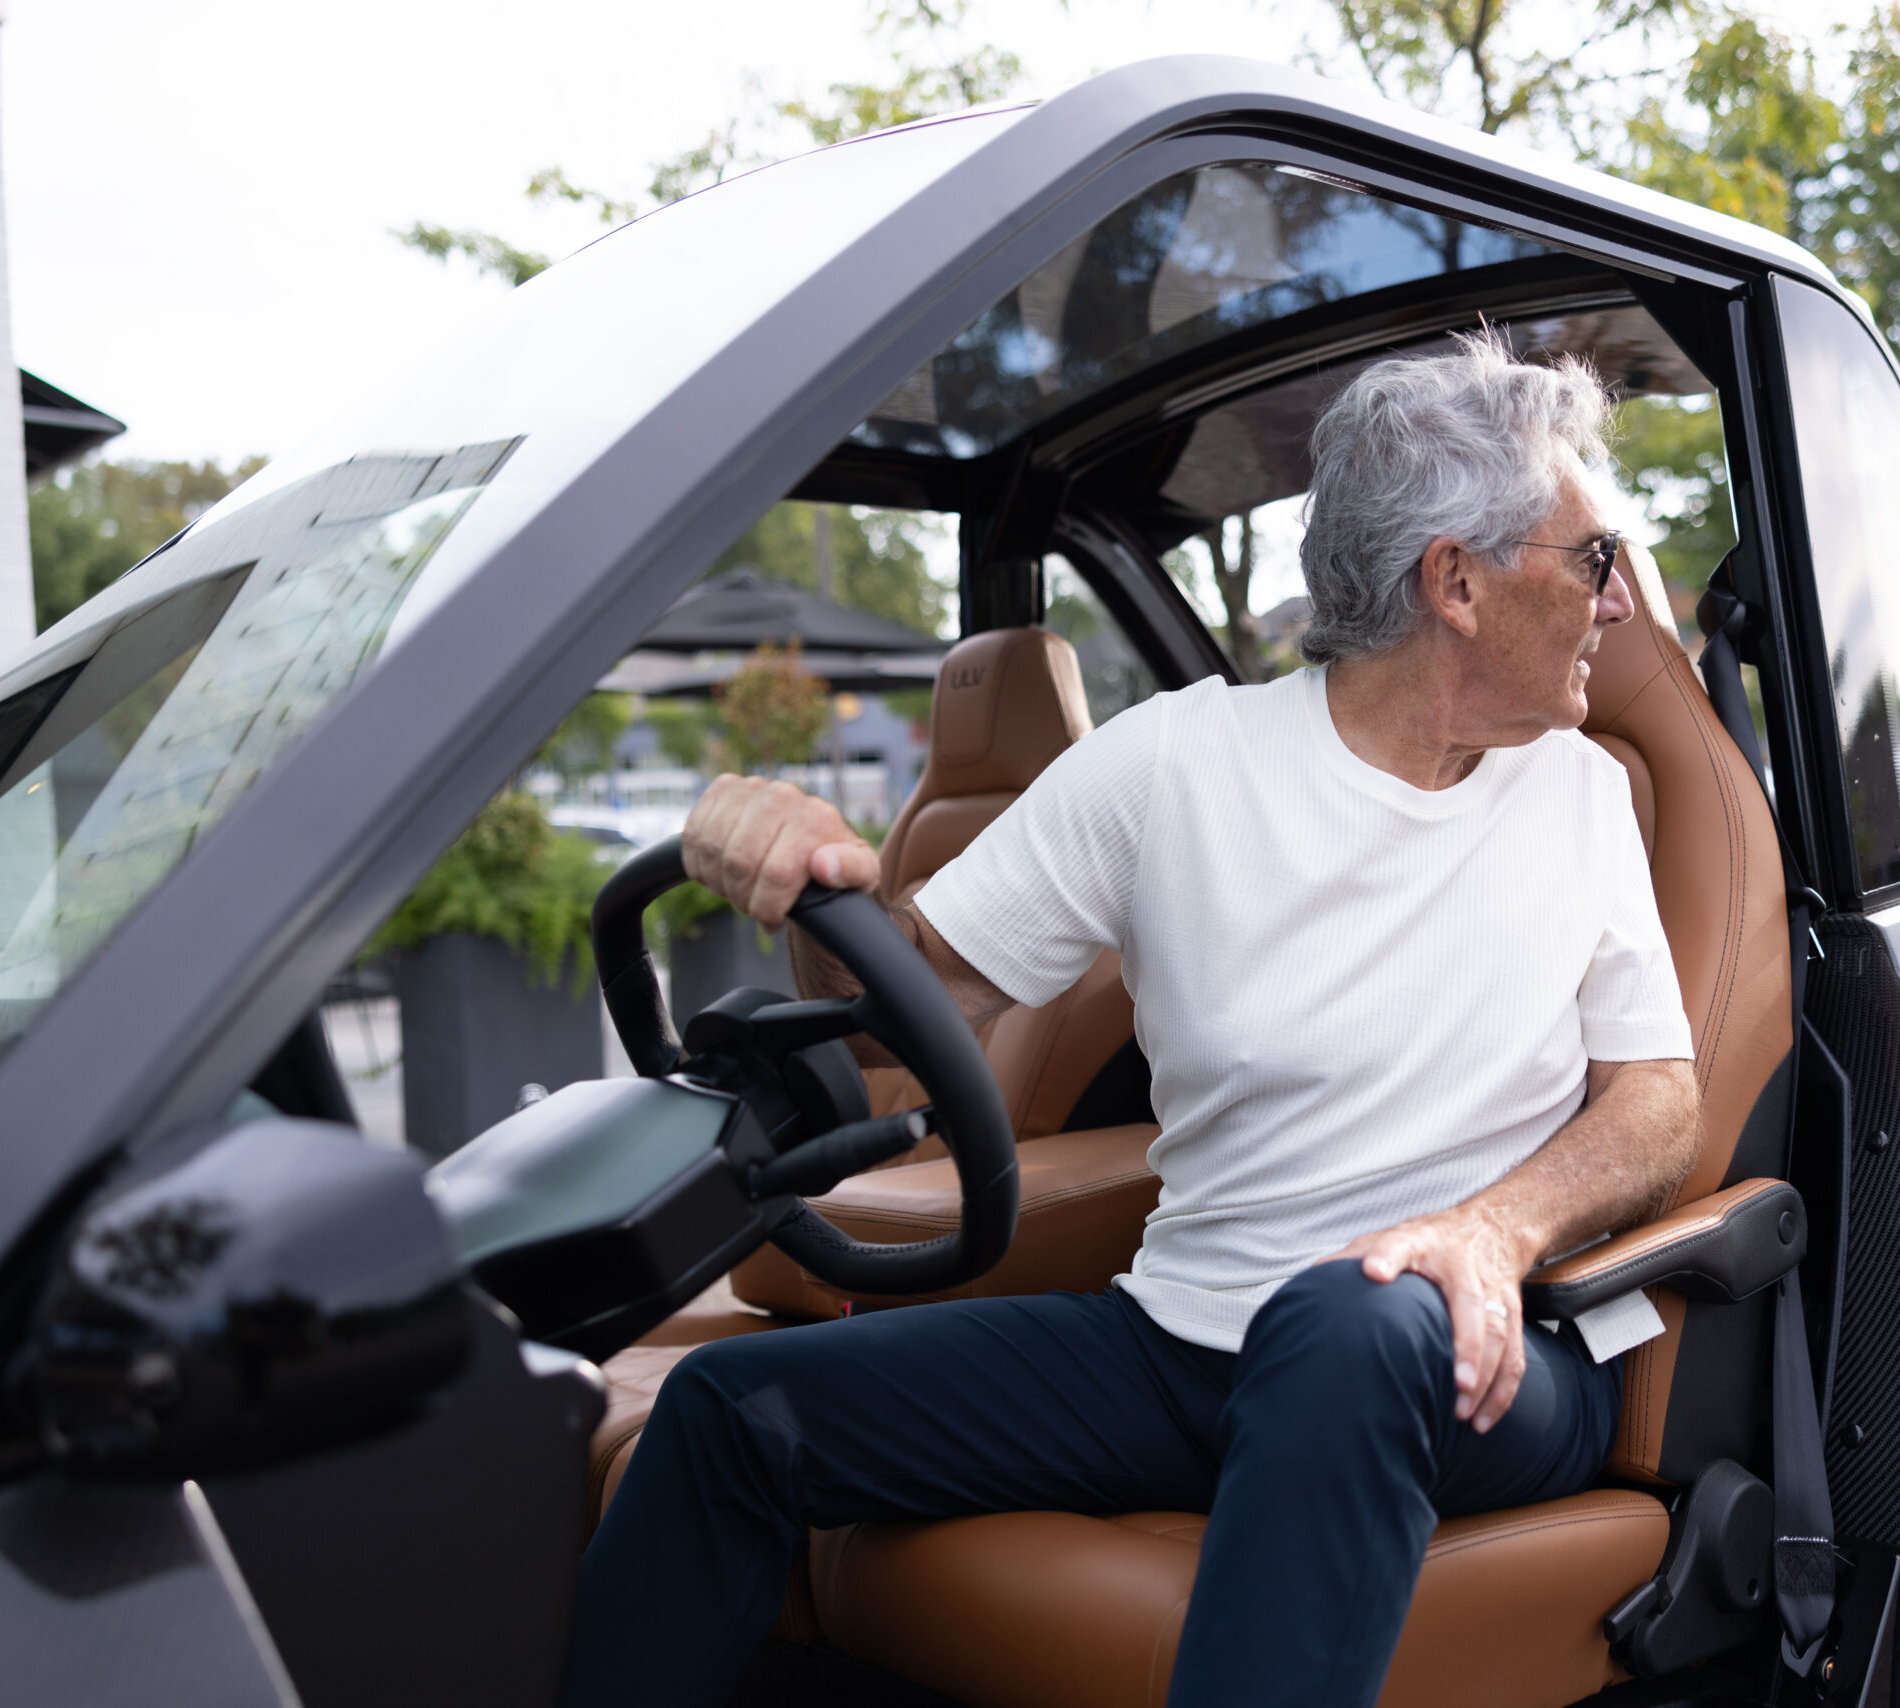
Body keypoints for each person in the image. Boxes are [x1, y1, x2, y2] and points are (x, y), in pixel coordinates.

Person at [566, 333, 1702, 1708]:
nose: (1622, 606)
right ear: (1454, 579)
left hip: (1468, 1357)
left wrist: (1488, 1232)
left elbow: (1659, 1104)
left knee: (1350, 1319)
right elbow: (897, 1011)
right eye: (1594, 561)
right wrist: (814, 877)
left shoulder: (1580, 794)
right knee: (725, 1414)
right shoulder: (1172, 764)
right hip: (1181, 1346)